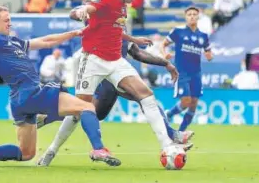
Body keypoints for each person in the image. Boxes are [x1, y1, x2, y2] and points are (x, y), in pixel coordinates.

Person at [0, 6, 121, 167]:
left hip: (19, 100)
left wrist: (74, 32)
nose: (10, 23)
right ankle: (98, 149)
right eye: (6, 20)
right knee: (87, 107)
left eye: (10, 19)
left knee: (26, 154)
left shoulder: (12, 41)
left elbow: (44, 41)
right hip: (32, 92)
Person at [42, 0, 191, 164]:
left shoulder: (123, 6)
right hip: (93, 59)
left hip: (116, 62)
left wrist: (133, 39)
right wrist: (80, 11)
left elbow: (115, 28)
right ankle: (51, 151)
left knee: (146, 95)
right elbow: (86, 9)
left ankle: (167, 145)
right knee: (80, 110)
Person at [36, 40, 194, 166]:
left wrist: (163, 63)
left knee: (92, 112)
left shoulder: (121, 31)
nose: (122, 16)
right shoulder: (103, 25)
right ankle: (51, 146)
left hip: (119, 78)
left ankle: (50, 120)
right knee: (142, 99)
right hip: (105, 80)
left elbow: (137, 53)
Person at [161, 6, 213, 132]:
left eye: (194, 14)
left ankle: (181, 132)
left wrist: (209, 55)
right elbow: (163, 44)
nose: (192, 16)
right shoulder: (178, 32)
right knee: (186, 101)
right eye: (189, 14)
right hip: (181, 72)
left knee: (193, 104)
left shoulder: (203, 36)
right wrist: (164, 54)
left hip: (196, 73)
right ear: (186, 17)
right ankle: (168, 115)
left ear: (198, 17)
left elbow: (208, 52)